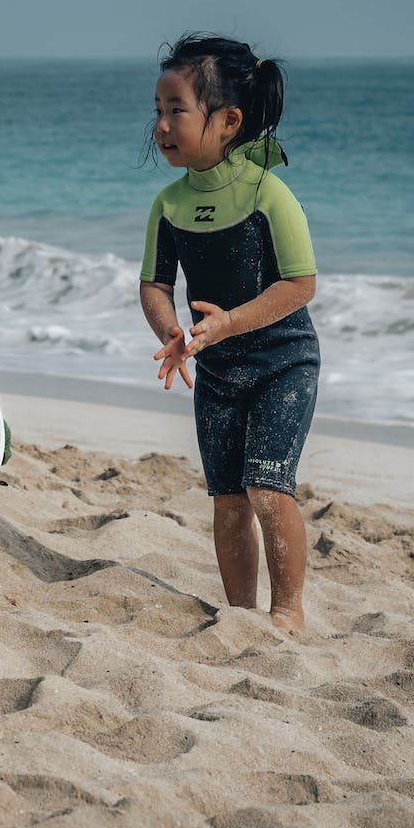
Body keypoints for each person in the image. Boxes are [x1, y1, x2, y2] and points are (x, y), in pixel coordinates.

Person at [139, 34, 320, 630]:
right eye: (158, 110)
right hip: (217, 369)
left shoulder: (269, 193)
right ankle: (242, 614)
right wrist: (172, 331)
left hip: (282, 361)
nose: (161, 124)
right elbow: (155, 286)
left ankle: (288, 611)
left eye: (177, 110)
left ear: (228, 121)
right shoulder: (168, 205)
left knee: (268, 487)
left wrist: (228, 324)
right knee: (228, 499)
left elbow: (300, 285)